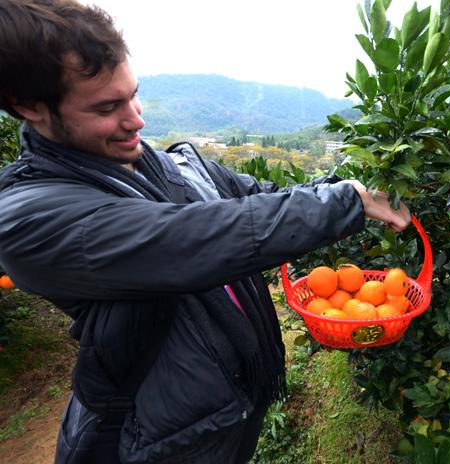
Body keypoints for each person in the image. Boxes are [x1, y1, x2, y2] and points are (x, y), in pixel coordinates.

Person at [0, 1, 411, 463]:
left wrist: (364, 186)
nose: (136, 119)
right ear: (28, 107)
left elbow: (266, 196)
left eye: (133, 94)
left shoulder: (170, 166)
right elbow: (193, 239)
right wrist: (347, 203)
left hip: (227, 410)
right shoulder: (29, 218)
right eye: (107, 107)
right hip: (155, 439)